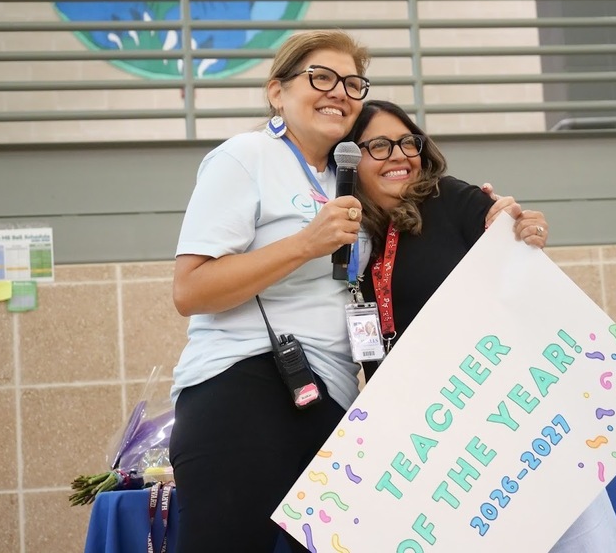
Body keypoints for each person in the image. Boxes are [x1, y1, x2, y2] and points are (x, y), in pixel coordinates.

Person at [168, 31, 520, 553]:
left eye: (352, 83)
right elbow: (190, 290)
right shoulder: (245, 157)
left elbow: (425, 200)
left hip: (333, 401)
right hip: (242, 386)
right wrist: (304, 243)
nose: (339, 91)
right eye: (321, 77)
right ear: (276, 92)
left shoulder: (348, 174)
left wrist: (493, 212)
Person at [346, 99, 616, 552]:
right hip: (433, 450)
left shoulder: (451, 198)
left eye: (406, 142)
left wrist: (521, 227)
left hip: (512, 421)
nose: (398, 154)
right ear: (351, 159)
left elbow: (510, 236)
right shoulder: (350, 239)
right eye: (378, 145)